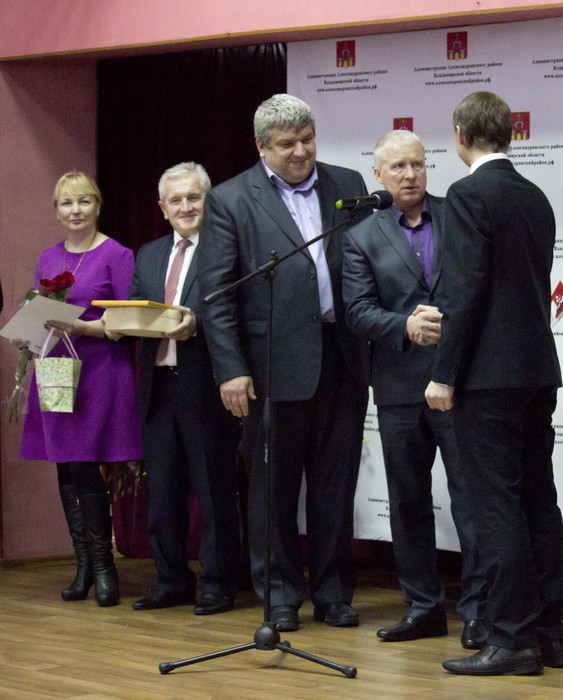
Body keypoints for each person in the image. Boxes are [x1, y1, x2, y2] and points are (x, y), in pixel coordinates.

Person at [197, 94, 371, 632]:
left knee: (335, 485)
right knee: (272, 490)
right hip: (270, 364)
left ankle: (334, 593)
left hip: (342, 356)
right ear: (261, 146)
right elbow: (217, 294)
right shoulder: (230, 200)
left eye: (308, 139)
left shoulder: (348, 184)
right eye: (287, 144)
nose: (301, 152)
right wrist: (231, 368)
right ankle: (278, 596)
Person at [424, 91, 563, 676]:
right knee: (538, 499)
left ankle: (512, 639)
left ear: (461, 134)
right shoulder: (535, 195)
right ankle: (549, 633)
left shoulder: (467, 194)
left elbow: (465, 290)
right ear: (509, 133)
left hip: (487, 376)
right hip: (536, 369)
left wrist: (444, 373)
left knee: (498, 506)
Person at [343, 130, 488, 648]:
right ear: (378, 174)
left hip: (460, 381)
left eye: (418, 164)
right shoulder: (361, 236)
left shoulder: (457, 215)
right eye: (398, 167)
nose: (410, 175)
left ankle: (479, 611)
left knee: (471, 501)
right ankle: (423, 607)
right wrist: (403, 325)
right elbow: (357, 311)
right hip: (399, 388)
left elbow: (479, 284)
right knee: (407, 502)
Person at [106, 162, 242, 615]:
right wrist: (117, 323)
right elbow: (136, 307)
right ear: (162, 208)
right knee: (162, 493)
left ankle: (220, 584)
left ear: (209, 201)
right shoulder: (149, 253)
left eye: (193, 197)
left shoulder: (227, 248)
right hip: (159, 388)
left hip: (208, 386)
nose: (185, 207)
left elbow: (240, 310)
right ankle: (171, 582)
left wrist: (197, 323)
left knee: (214, 491)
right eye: (176, 200)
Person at [12, 172, 142, 606]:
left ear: (97, 206)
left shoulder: (117, 254)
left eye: (84, 202)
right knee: (66, 467)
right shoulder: (48, 258)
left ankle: (104, 567)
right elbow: (41, 314)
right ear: (57, 211)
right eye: (67, 203)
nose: (76, 211)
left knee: (86, 464)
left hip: (99, 373)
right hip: (56, 370)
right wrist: (27, 335)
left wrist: (81, 326)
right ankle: (84, 565)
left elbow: (127, 322)